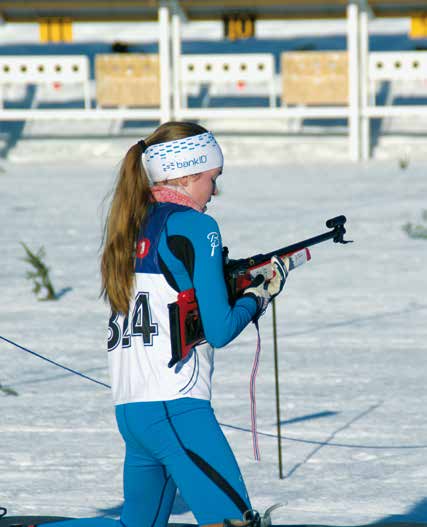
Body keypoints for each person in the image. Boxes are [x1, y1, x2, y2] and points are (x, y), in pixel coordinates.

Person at [42, 121, 288, 527]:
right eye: (212, 178)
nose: (215, 191)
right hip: (177, 408)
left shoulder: (129, 225)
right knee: (232, 523)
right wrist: (256, 297)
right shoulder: (197, 226)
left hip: (133, 412)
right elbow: (221, 329)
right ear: (189, 173)